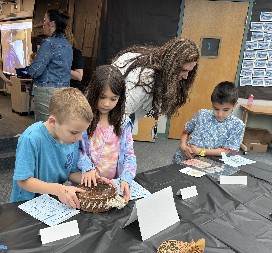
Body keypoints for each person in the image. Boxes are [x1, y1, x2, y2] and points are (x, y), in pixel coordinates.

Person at [10, 88, 102, 208]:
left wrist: (92, 181)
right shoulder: (31, 139)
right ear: (53, 121)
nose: (79, 138)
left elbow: (70, 172)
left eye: (81, 132)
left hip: (51, 202)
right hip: (25, 205)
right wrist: (58, 189)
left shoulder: (70, 138)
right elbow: (23, 181)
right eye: (74, 132)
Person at [79, 65, 136, 202]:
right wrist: (87, 167)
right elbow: (76, 150)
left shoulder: (123, 123)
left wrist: (126, 178)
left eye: (113, 99)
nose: (106, 104)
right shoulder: (83, 119)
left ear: (120, 99)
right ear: (93, 93)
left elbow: (129, 155)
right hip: (87, 183)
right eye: (102, 97)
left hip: (113, 185)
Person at [112, 37, 199, 123]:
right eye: (183, 70)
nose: (186, 77)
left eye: (189, 71)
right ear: (172, 65)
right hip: (114, 114)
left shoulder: (158, 66)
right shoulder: (145, 77)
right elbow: (120, 113)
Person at [173, 81, 245, 163]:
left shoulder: (237, 125)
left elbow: (225, 151)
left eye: (225, 110)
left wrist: (200, 151)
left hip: (207, 162)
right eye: (216, 108)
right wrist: (183, 145)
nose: (220, 114)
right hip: (183, 156)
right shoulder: (202, 114)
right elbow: (186, 131)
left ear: (234, 105)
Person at [27, 9, 72, 122]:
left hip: (47, 92)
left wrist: (31, 66)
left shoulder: (48, 43)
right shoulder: (67, 44)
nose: (42, 24)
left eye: (44, 21)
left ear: (51, 24)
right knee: (58, 127)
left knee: (45, 128)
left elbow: (35, 71)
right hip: (64, 91)